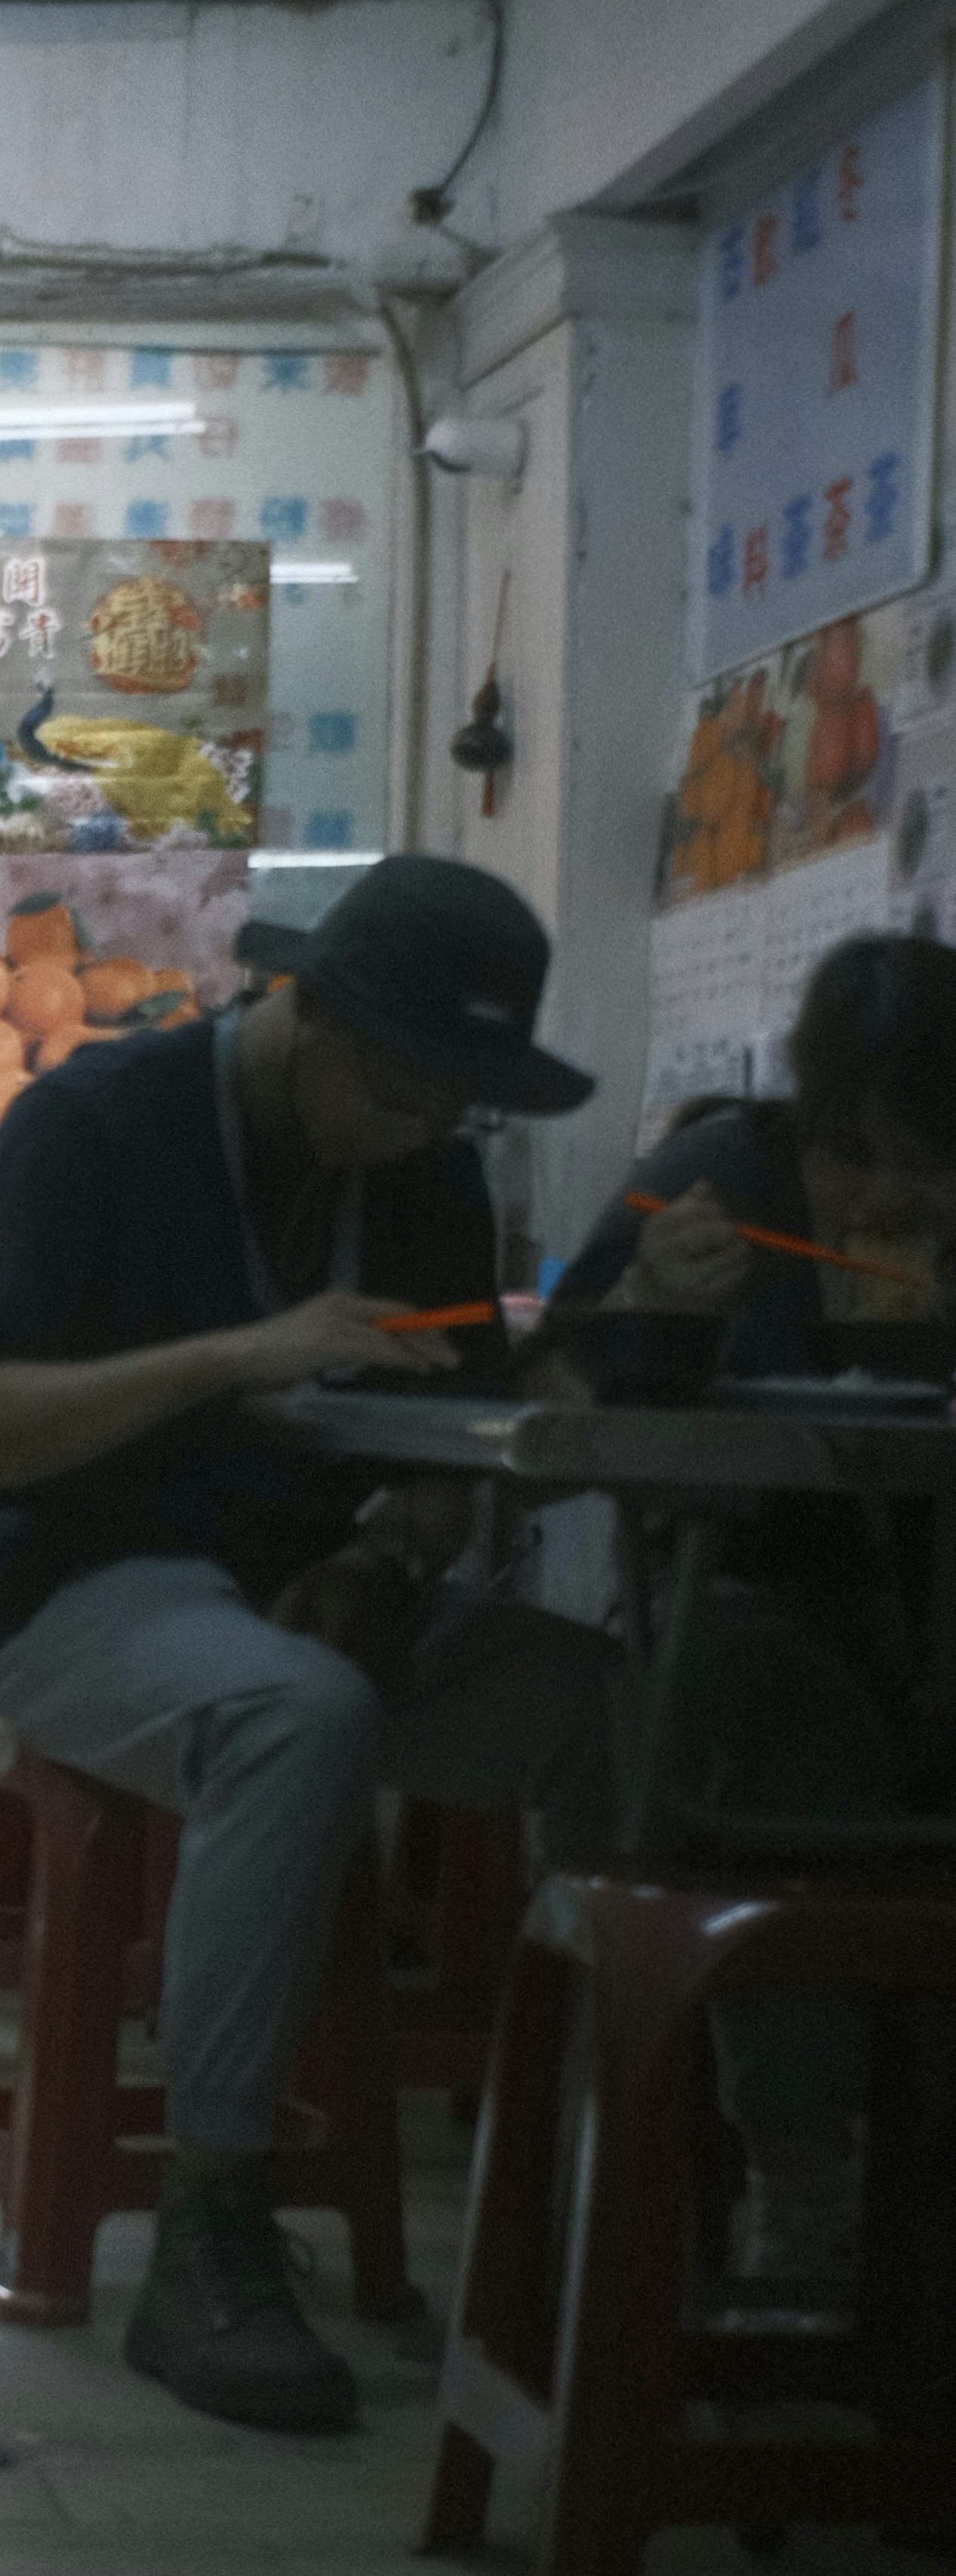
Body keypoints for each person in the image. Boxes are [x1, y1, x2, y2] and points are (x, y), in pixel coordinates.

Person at [0, 854, 616, 2431]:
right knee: (294, 1720)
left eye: (463, 1105)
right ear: (311, 1009)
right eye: (411, 1086)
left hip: (322, 1606)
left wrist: (381, 1550)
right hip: (82, 1589)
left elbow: (439, 1451)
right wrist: (233, 1359)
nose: (431, 1128)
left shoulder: (426, 1182)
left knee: (608, 1711)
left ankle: (626, 2213)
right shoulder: (98, 1126)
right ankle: (213, 2228)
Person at [548, 932, 956, 2320]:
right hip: (755, 1601)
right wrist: (656, 1308)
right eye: (858, 1153)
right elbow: (551, 1390)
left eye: (932, 1164)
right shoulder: (725, 1176)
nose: (892, 1197)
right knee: (768, 1719)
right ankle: (804, 2185)